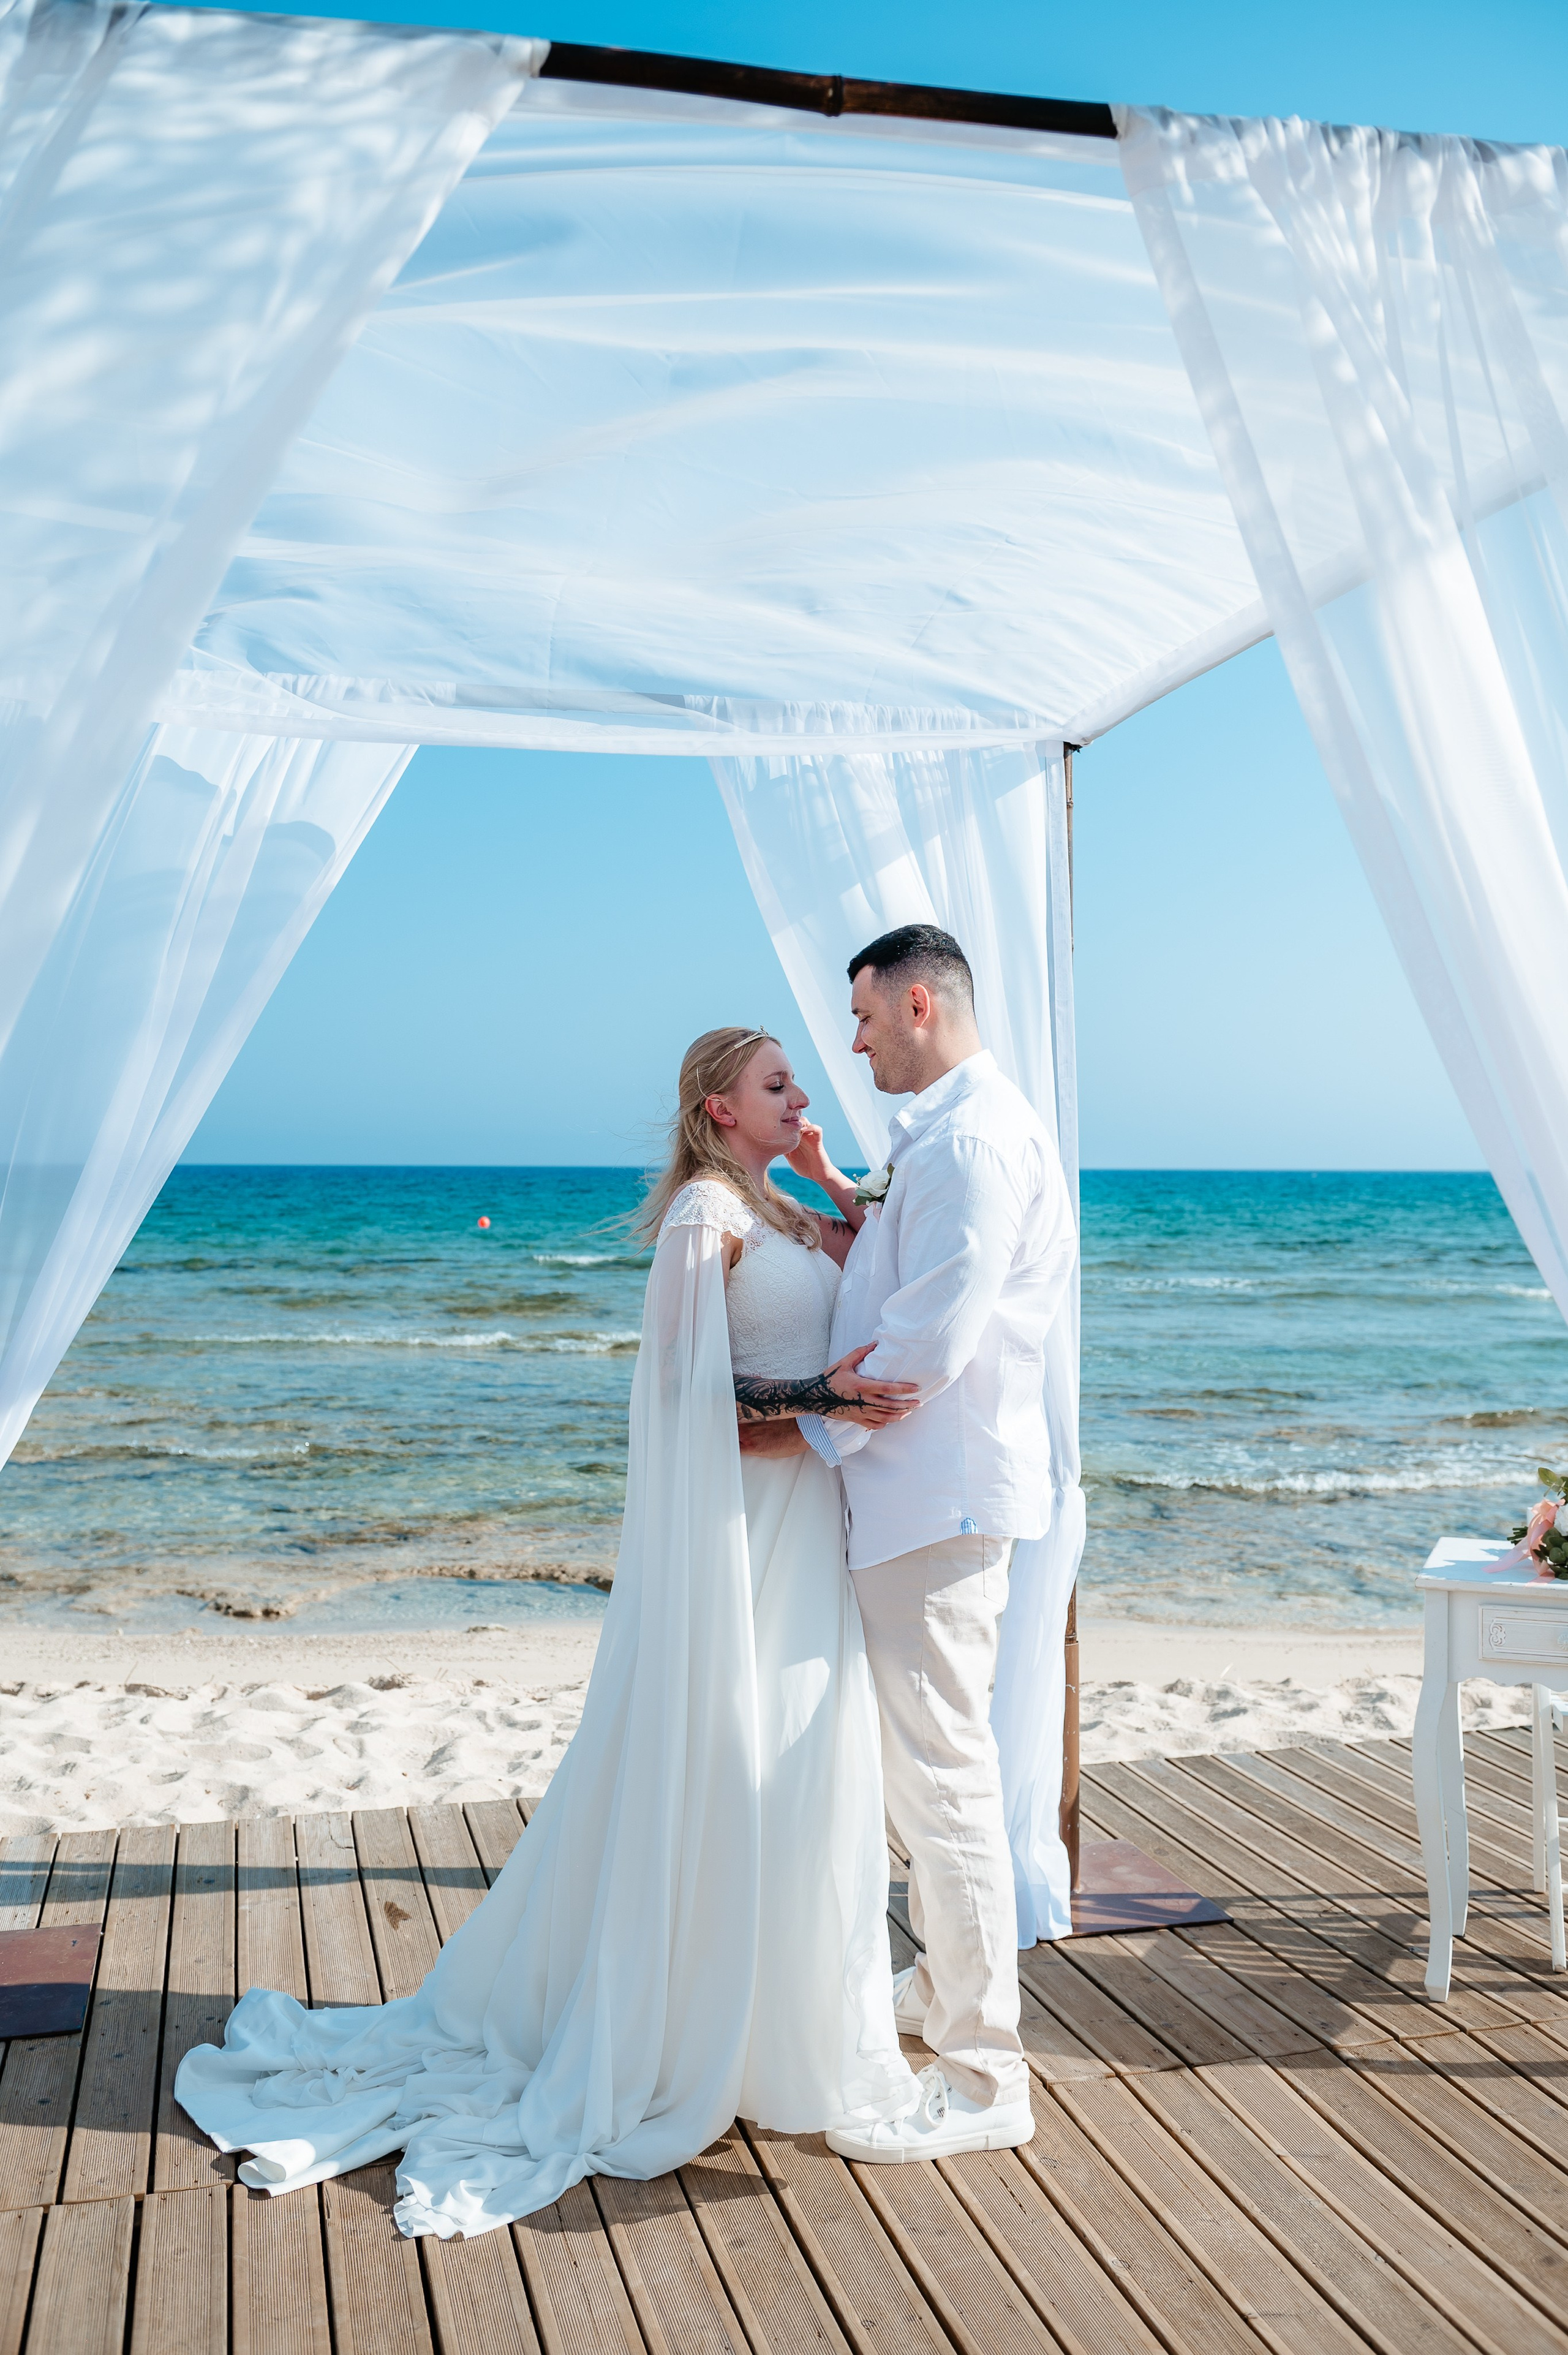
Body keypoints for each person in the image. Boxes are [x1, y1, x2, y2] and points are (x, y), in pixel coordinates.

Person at [175, 1026, 920, 2239]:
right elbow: (697, 1403)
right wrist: (828, 1398)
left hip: (803, 1536)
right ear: (718, 1109)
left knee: (799, 1772)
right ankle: (688, 2028)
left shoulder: (775, 1209)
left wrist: (832, 1180)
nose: (801, 1096)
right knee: (737, 1767)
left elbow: (855, 1257)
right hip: (744, 1541)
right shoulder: (701, 1219)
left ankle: (777, 2034)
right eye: (775, 1084)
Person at [726, 926, 1077, 2162]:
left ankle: (986, 2081)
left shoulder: (974, 1144)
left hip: (938, 1502)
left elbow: (921, 1348)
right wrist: (825, 1192)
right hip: (913, 1502)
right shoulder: (936, 1136)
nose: (857, 1041)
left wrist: (793, 1423)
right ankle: (940, 1996)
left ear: (917, 1002)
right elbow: (876, 1264)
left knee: (944, 1781)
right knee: (924, 1777)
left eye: (866, 1019)